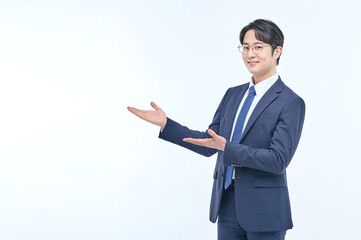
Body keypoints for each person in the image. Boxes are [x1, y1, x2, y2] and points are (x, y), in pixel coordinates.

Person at [127, 19, 305, 240]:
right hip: (227, 205)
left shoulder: (290, 102)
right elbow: (209, 143)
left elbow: (278, 160)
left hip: (265, 212)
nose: (251, 53)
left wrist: (227, 147)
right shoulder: (233, 94)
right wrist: (166, 124)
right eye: (246, 47)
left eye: (258, 47)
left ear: (277, 51)